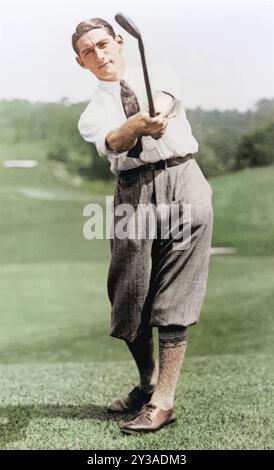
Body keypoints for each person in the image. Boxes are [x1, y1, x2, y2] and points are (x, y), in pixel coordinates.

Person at [72, 17, 213, 435]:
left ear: (119, 41)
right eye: (88, 52)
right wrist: (134, 127)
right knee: (130, 296)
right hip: (133, 192)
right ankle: (147, 384)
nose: (100, 54)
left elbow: (165, 102)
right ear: (81, 63)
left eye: (104, 44)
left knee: (174, 294)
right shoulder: (92, 112)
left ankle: (164, 402)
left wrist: (156, 114)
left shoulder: (160, 70)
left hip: (183, 180)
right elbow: (114, 141)